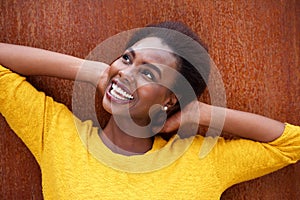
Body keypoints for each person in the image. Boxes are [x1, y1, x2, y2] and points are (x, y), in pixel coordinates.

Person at [0, 21, 299, 199]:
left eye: (149, 74)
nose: (126, 74)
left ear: (170, 99)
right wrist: (94, 71)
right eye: (127, 59)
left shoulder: (201, 161)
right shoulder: (58, 136)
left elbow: (292, 144)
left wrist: (201, 114)